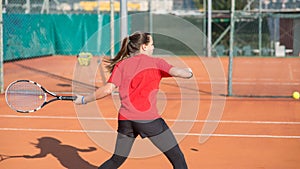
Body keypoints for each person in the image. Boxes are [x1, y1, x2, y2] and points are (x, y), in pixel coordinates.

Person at [74, 31, 193, 169]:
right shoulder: (156, 63)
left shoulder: (122, 64)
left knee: (116, 160)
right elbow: (179, 72)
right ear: (143, 47)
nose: (153, 47)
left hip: (125, 121)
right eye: (152, 44)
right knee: (178, 158)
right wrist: (189, 73)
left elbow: (107, 89)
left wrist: (83, 99)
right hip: (148, 120)